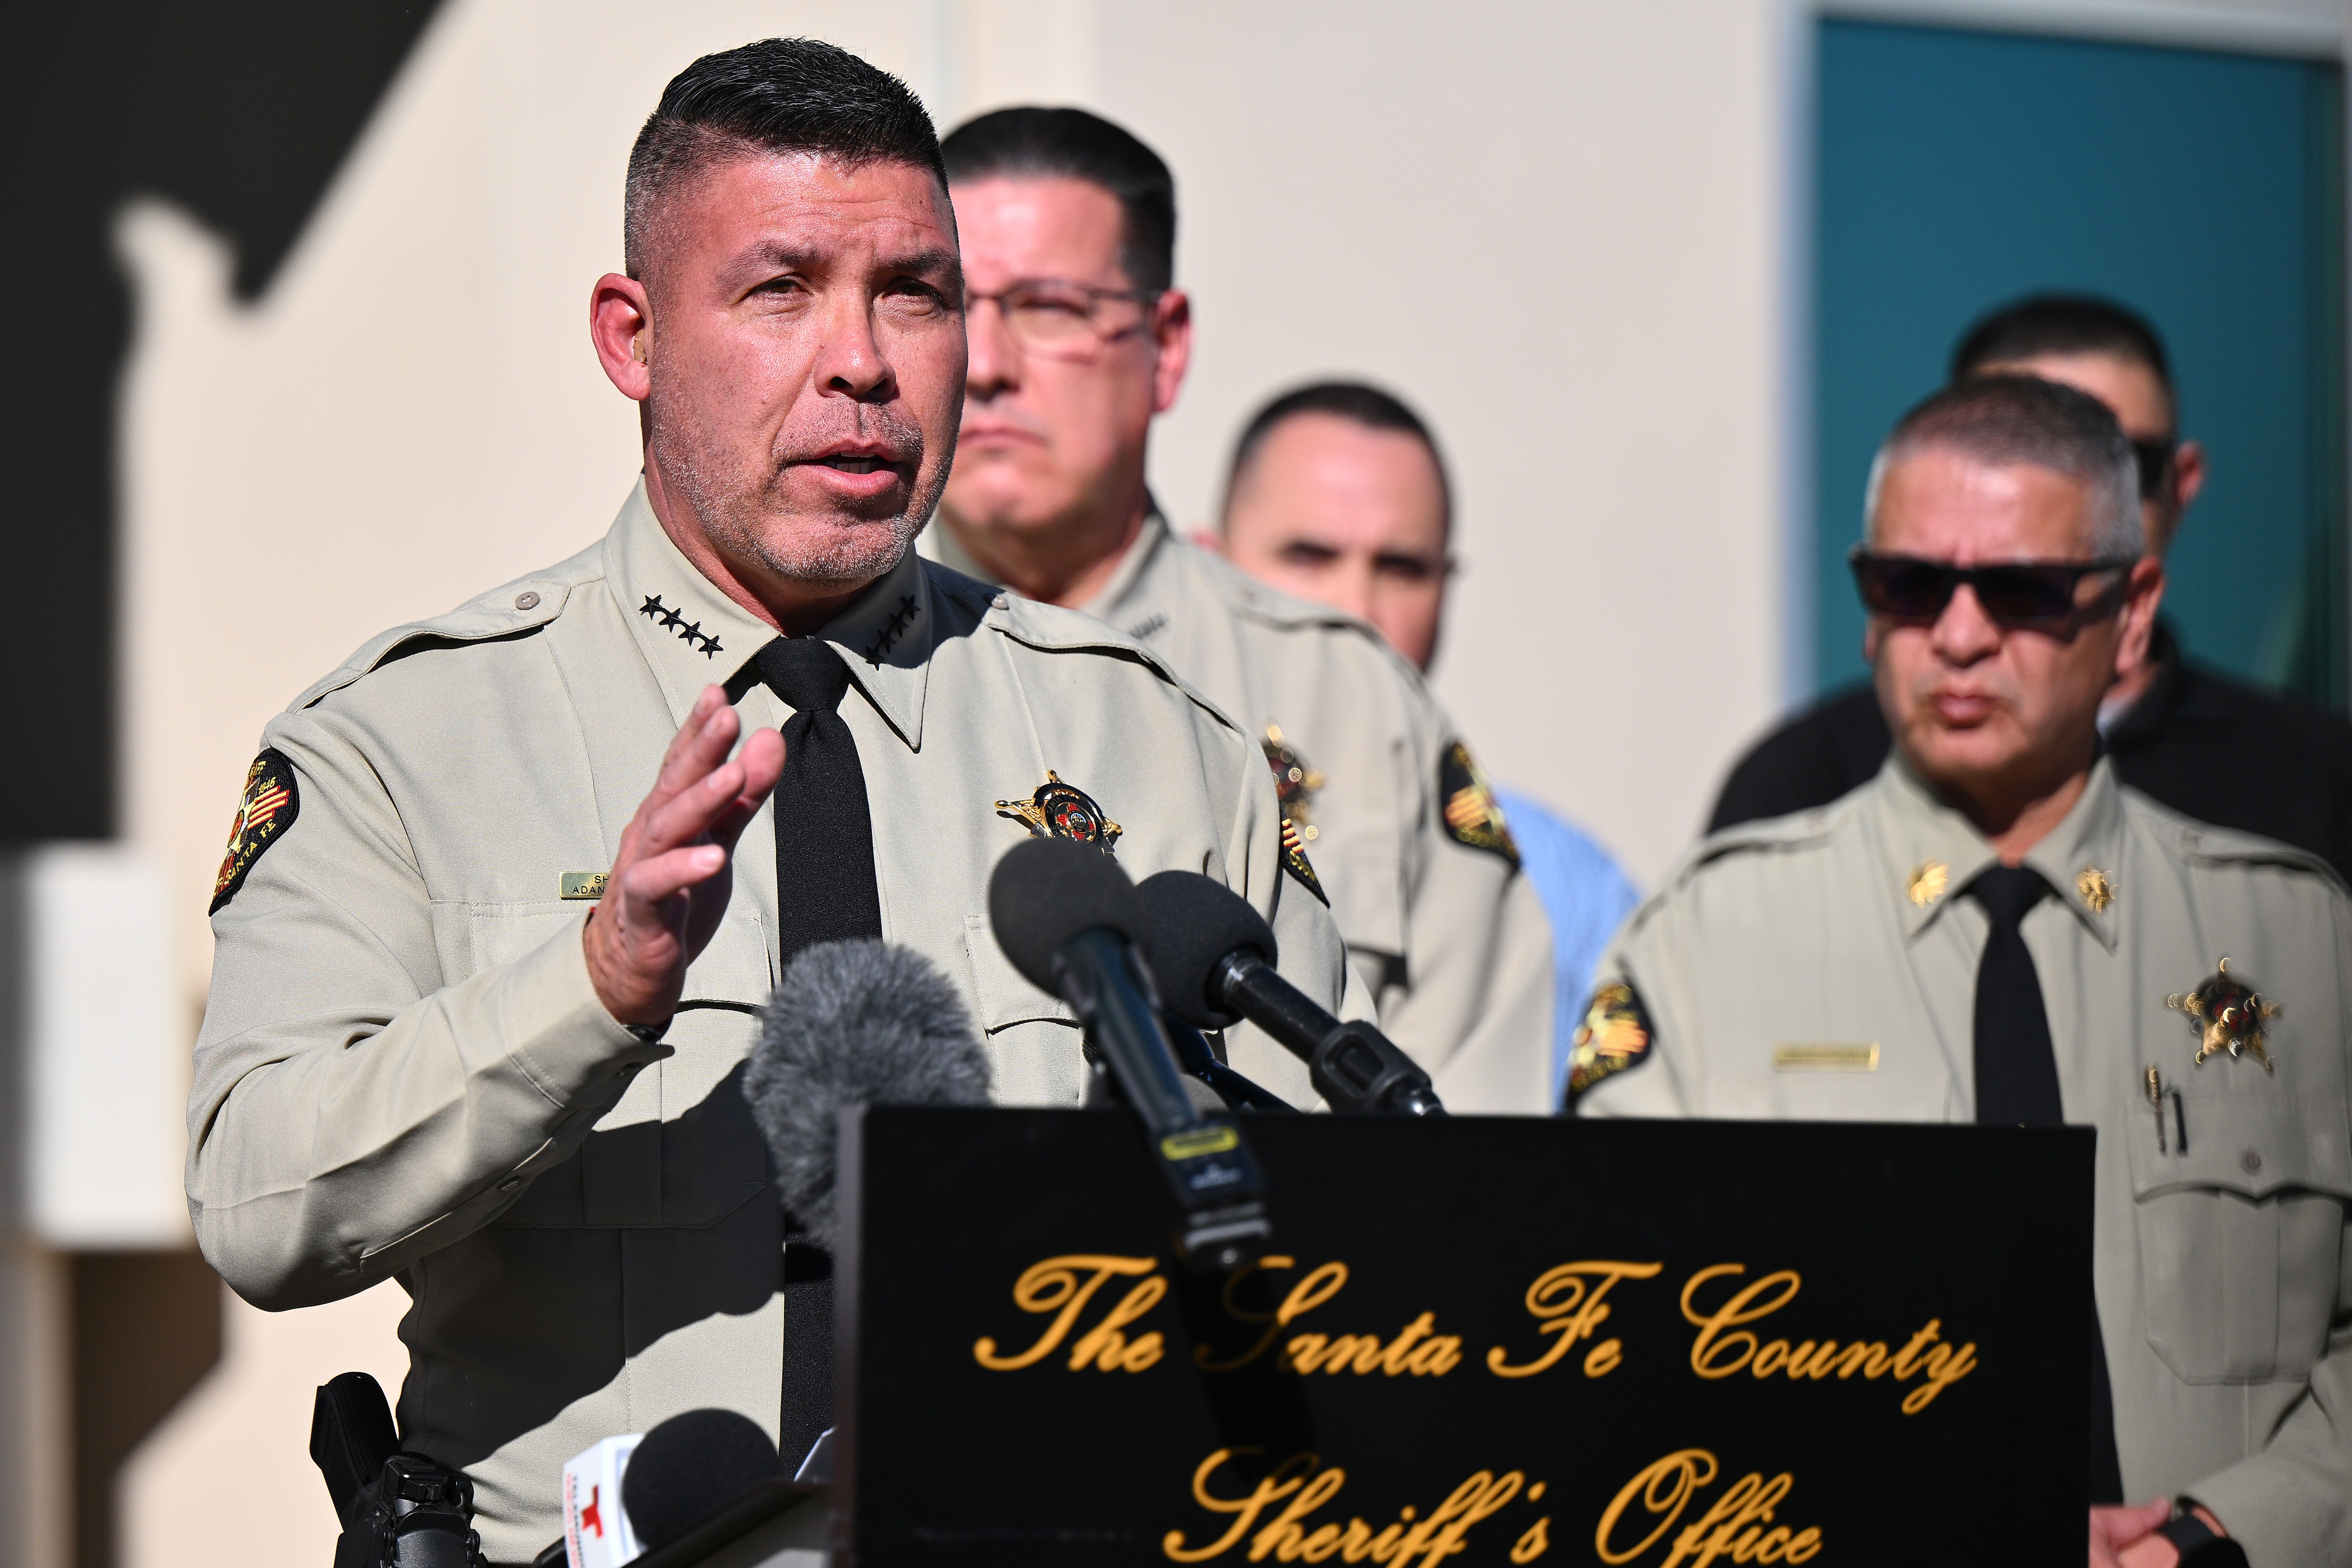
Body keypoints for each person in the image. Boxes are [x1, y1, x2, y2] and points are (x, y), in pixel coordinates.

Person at [184, 42, 1364, 1563]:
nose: (864, 361)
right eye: (780, 289)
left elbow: (1349, 1240)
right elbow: (258, 1206)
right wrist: (593, 986)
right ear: (633, 335)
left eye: (918, 295)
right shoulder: (407, 741)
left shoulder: (1157, 750)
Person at [1577, 375, 2351, 1567]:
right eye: (1908, 585)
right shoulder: (1701, 944)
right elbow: (1616, 1336)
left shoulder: (2301, 942)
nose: (1956, 633)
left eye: (2021, 591)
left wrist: (2217, 1533)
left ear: (2131, 608)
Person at [925, 107, 1555, 1113]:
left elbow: (1468, 1137)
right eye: (946, 302)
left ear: (1166, 346)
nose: (988, 362)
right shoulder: (816, 671)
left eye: (1048, 308)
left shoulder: (1348, 696)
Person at [1708, 295, 2352, 881]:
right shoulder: (1797, 788)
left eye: (2118, 465)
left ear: (2181, 484)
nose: (2056, 495)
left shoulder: (2317, 783)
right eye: (2004, 452)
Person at [1214, 380, 1638, 1104]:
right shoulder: (1143, 796)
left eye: (1401, 568)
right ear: (1207, 565)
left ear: (1448, 585)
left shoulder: (1568, 888)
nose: (1357, 610)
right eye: (1310, 556)